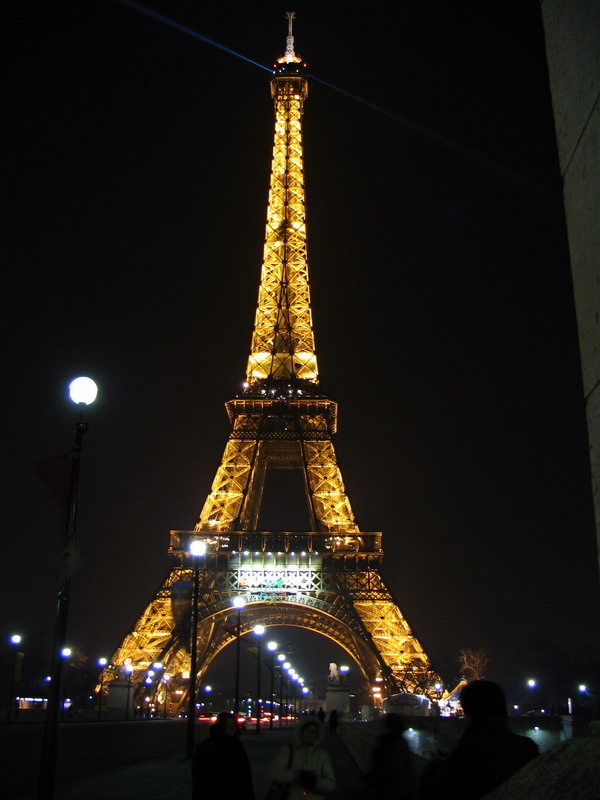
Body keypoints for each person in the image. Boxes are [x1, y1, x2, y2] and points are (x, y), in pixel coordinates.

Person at [418, 679, 539, 800]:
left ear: (468, 713)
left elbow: (430, 793)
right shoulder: (527, 747)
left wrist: (434, 769)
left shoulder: (468, 753)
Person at [192, 711, 255, 800]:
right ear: (221, 726)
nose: (232, 727)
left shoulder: (237, 745)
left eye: (233, 724)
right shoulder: (206, 747)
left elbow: (245, 775)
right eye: (228, 725)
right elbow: (200, 779)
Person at [270, 718, 336, 800]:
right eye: (307, 730)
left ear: (317, 735)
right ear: (301, 731)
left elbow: (331, 784)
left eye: (314, 731)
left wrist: (314, 782)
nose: (310, 734)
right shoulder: (288, 750)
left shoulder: (322, 755)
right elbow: (275, 773)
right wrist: (298, 776)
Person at [361, 713, 417, 800]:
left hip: (392, 791)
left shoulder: (391, 743)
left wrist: (371, 779)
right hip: (398, 790)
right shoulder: (398, 742)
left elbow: (389, 769)